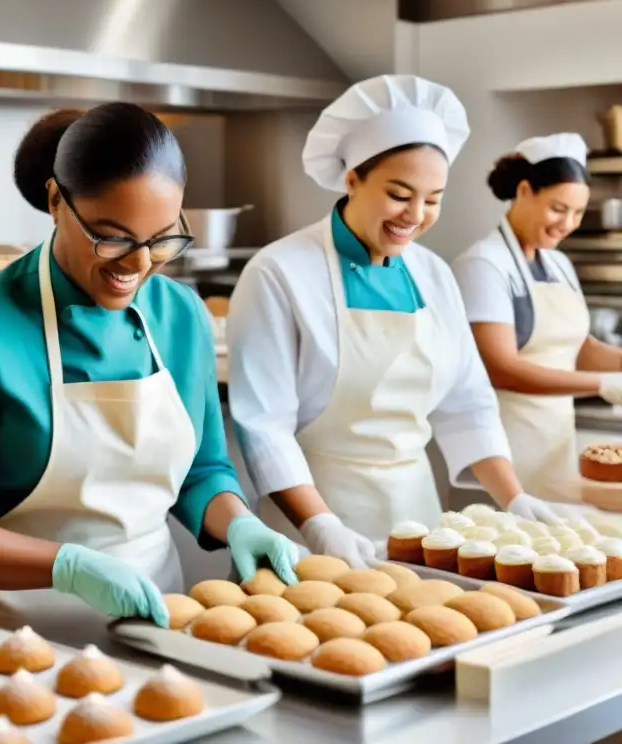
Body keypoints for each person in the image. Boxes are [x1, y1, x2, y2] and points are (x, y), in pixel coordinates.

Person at [0, 104, 298, 644]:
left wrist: (238, 523)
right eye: (112, 237)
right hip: (2, 641)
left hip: (149, 630)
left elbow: (201, 469)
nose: (138, 265)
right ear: (55, 201)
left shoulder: (181, 315)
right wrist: (68, 566)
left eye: (161, 239)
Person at [227, 75, 590, 569]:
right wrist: (320, 525)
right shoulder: (280, 271)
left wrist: (514, 498)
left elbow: (468, 404)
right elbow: (264, 426)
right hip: (308, 529)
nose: (415, 216)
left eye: (433, 198)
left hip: (418, 525)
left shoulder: (433, 274)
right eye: (399, 193)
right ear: (352, 177)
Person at [453, 133, 622, 502]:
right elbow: (502, 368)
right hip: (506, 453)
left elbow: (576, 349)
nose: (568, 224)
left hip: (555, 448)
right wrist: (603, 385)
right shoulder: (483, 265)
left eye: (578, 213)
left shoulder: (558, 262)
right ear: (525, 190)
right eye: (558, 208)